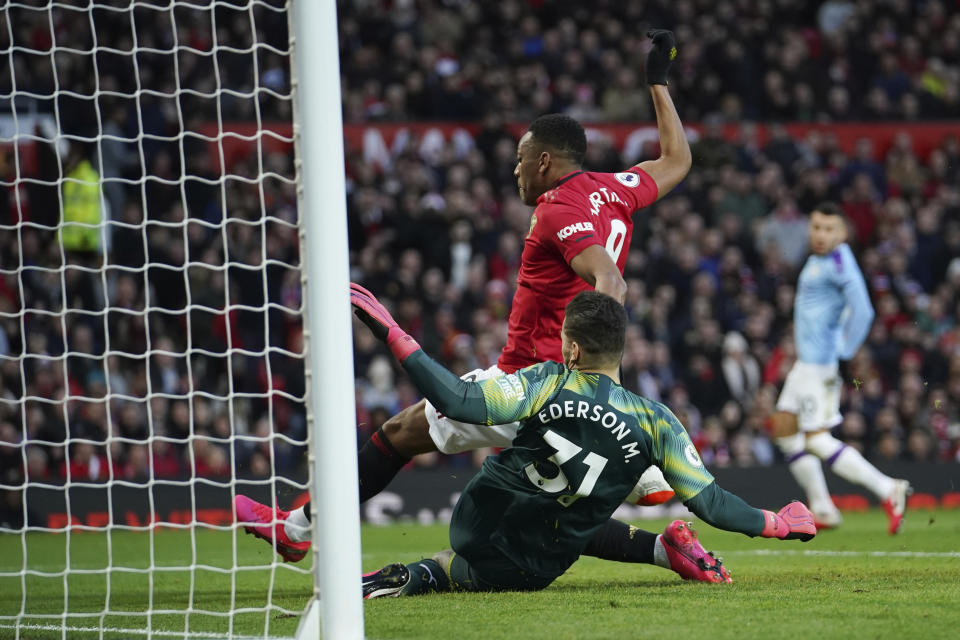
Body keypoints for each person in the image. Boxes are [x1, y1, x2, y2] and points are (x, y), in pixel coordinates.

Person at [236, 30, 700, 576]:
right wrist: (657, 82)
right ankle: (663, 539)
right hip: (568, 387)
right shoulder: (614, 189)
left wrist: (602, 391)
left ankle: (295, 532)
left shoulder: (558, 210)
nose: (515, 170)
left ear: (546, 161)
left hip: (533, 381)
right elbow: (676, 160)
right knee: (537, 500)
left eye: (521, 159)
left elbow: (609, 282)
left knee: (401, 433)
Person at [344, 286, 815, 597]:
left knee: (458, 558)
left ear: (571, 348)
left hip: (478, 528)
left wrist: (394, 332)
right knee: (577, 505)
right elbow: (712, 504)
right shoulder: (658, 421)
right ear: (621, 347)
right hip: (542, 566)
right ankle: (662, 549)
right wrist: (778, 521)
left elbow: (460, 402)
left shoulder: (546, 381)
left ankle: (427, 572)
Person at [768, 202, 911, 534]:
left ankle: (888, 488)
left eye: (829, 228)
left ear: (843, 232)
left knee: (816, 440)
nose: (820, 234)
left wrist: (843, 348)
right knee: (785, 430)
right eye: (816, 227)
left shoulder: (837, 262)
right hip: (808, 362)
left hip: (817, 366)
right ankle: (823, 509)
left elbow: (863, 310)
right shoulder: (821, 259)